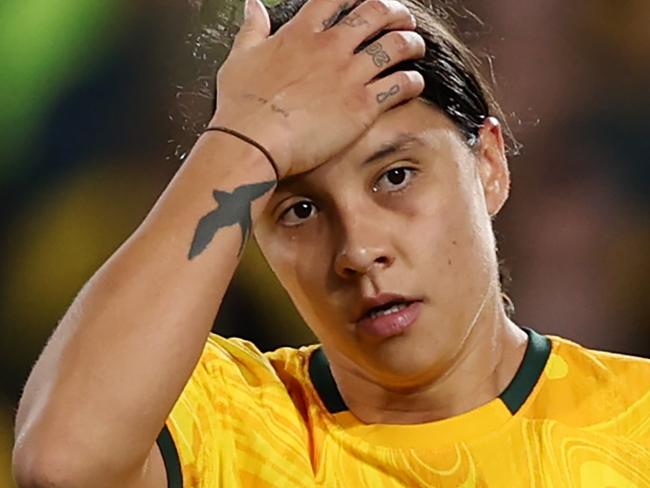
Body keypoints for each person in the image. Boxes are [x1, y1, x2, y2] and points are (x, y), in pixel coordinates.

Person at [12, 0, 650, 486]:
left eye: (395, 177)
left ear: (489, 164)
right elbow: (61, 465)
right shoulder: (227, 418)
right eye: (299, 208)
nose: (357, 250)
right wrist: (244, 136)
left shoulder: (637, 422)